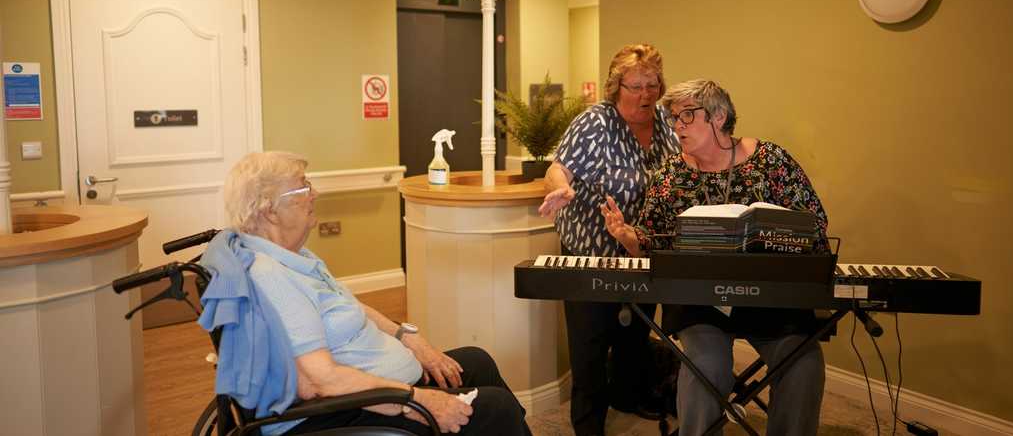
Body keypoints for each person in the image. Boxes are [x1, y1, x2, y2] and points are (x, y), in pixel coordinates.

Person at [200, 151, 531, 436]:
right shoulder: (272, 276)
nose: (314, 194)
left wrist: (408, 338)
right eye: (303, 187)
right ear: (270, 210)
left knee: (475, 361)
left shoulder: (297, 257)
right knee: (494, 408)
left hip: (381, 386)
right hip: (342, 411)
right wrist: (413, 400)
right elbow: (319, 382)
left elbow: (350, 305)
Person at [601, 79, 828, 436]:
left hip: (771, 298)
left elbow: (814, 226)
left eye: (687, 116)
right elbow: (649, 239)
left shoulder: (770, 161)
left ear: (719, 117)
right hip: (701, 303)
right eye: (674, 117)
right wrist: (629, 238)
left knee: (803, 362)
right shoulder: (670, 175)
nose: (677, 126)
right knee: (705, 366)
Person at [538, 44, 679, 435]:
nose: (645, 94)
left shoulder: (666, 123)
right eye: (635, 86)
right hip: (590, 253)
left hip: (641, 250)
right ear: (616, 87)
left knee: (635, 334)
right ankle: (588, 424)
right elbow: (558, 168)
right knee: (590, 345)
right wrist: (563, 190)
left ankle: (627, 398)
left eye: (652, 84)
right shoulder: (595, 123)